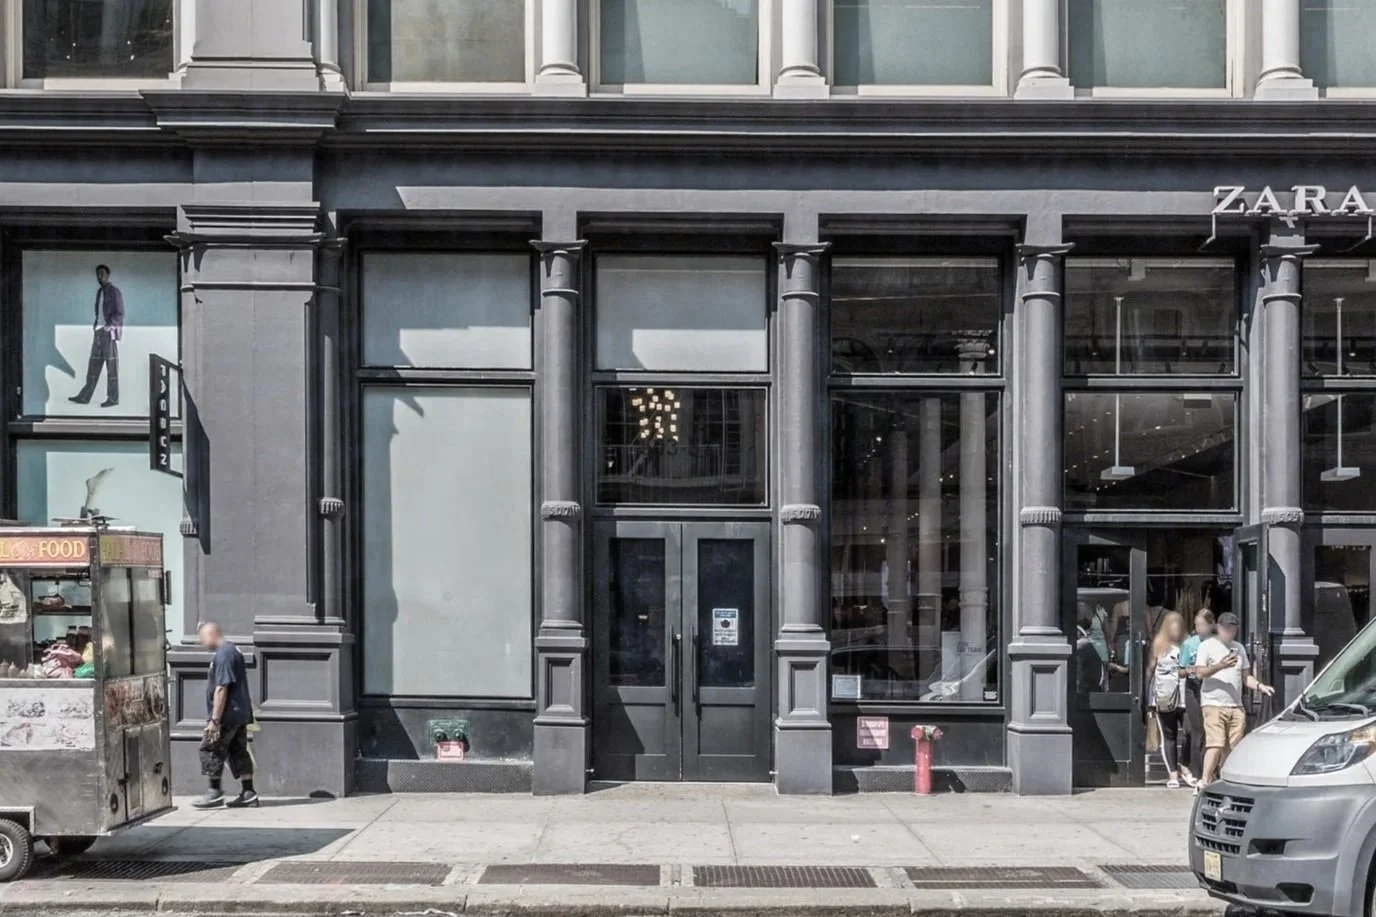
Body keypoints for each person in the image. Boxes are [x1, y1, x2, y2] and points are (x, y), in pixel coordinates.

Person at [1194, 611, 1274, 791]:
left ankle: (1226, 780)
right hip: (1213, 702)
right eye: (1226, 629)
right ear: (1218, 628)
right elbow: (1199, 672)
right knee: (1216, 743)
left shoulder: (1239, 648)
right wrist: (1220, 665)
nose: (1230, 633)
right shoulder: (1207, 646)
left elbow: (1246, 677)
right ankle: (1204, 781)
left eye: (1233, 629)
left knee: (1234, 746)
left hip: (1235, 704)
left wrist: (1261, 686)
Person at [192, 622, 258, 809]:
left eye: (203, 638)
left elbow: (222, 688)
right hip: (239, 713)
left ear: (212, 634)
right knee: (238, 751)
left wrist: (215, 720)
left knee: (210, 748)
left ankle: (214, 792)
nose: (201, 642)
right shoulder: (232, 651)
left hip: (227, 714)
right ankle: (248, 793)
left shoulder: (224, 654)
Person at [69, 264, 124, 408]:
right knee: (93, 365)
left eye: (102, 273)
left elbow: (119, 313)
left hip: (108, 333)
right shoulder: (100, 292)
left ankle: (113, 399)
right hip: (98, 332)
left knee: (111, 368)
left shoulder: (114, 292)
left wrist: (109, 326)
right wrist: (97, 327)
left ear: (108, 275)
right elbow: (98, 311)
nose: (100, 276)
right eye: (98, 274)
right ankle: (84, 397)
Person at [1147, 611, 1188, 788]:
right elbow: (1150, 672)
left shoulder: (1188, 643)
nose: (1176, 630)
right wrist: (1149, 701)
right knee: (1169, 735)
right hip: (1164, 696)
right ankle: (1173, 774)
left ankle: (1186, 768)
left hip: (1186, 696)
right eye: (1172, 626)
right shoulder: (1159, 644)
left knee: (1190, 732)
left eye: (1178, 626)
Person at [1177, 609, 1215, 787]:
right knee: (1196, 730)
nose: (1198, 628)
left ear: (1211, 625)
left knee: (1212, 731)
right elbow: (1180, 670)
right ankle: (1198, 772)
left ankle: (1212, 770)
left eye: (1202, 625)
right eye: (1196, 625)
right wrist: (1190, 670)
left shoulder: (1216, 643)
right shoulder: (1190, 644)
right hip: (1194, 687)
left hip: (1212, 688)